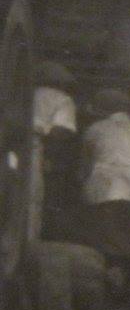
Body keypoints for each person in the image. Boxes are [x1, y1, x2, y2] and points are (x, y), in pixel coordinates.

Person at [79, 88, 130, 304]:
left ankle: (108, 295)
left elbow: (85, 166)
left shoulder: (95, 129)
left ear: (102, 110)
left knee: (107, 245)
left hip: (106, 193)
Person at [30, 61, 79, 239]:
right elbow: (60, 132)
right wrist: (51, 157)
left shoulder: (23, 94)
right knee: (32, 198)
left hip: (12, 146)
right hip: (34, 149)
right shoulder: (62, 99)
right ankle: (29, 240)